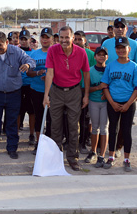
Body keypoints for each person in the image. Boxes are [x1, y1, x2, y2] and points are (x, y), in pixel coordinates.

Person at [43, 26, 91, 171]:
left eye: (66, 37)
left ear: (72, 38)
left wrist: (86, 95)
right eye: (61, 37)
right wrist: (46, 94)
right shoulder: (52, 50)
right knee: (55, 127)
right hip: (56, 91)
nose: (64, 40)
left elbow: (86, 74)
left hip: (74, 92)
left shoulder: (81, 52)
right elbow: (49, 73)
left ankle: (73, 158)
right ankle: (56, 158)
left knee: (73, 127)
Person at [0, 32, 35, 159]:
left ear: (7, 42)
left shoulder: (17, 52)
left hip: (14, 94)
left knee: (11, 123)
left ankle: (12, 148)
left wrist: (27, 65)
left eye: (0, 45)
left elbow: (30, 60)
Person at [101, 18, 137, 159]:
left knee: (125, 127)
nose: (119, 29)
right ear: (113, 28)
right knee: (111, 126)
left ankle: (121, 149)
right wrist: (104, 90)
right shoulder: (106, 43)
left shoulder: (134, 44)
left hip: (129, 92)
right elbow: (102, 64)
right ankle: (110, 153)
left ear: (127, 29)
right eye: (116, 26)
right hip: (111, 91)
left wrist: (136, 94)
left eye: (122, 26)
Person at [26, 27, 53, 153]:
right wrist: (38, 73)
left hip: (53, 90)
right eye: (43, 37)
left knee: (51, 118)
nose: (45, 40)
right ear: (40, 38)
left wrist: (49, 77)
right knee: (38, 116)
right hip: (36, 89)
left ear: (52, 39)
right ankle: (39, 142)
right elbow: (29, 72)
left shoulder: (56, 52)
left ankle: (49, 143)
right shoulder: (34, 54)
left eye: (48, 37)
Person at [84, 47, 109, 167]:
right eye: (99, 55)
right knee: (94, 127)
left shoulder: (109, 69)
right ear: (95, 57)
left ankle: (102, 155)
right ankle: (93, 151)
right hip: (94, 101)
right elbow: (85, 88)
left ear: (107, 57)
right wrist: (100, 88)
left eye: (104, 55)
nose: (101, 57)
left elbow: (113, 85)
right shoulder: (90, 71)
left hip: (106, 103)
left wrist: (106, 92)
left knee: (104, 128)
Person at [74, 30, 96, 154]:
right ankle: (70, 142)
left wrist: (88, 93)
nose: (77, 42)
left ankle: (82, 142)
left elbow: (92, 73)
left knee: (84, 119)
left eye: (79, 39)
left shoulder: (90, 55)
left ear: (84, 41)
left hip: (85, 90)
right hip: (72, 90)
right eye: (75, 39)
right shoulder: (69, 53)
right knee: (70, 118)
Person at [17, 30, 36, 143]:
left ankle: (31, 134)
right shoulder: (15, 52)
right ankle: (17, 133)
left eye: (26, 39)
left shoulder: (34, 53)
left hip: (30, 85)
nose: (24, 41)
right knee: (18, 111)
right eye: (22, 39)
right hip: (18, 85)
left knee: (31, 111)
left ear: (30, 40)